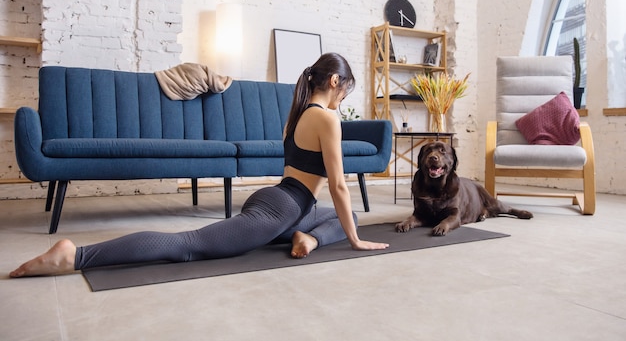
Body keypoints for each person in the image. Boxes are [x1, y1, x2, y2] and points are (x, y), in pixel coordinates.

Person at [10, 52, 389, 277]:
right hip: (279, 210)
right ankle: (76, 255)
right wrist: (354, 243)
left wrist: (337, 228)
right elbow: (338, 185)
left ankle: (307, 237)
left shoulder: (297, 113)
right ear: (336, 80)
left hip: (282, 203)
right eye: (345, 90)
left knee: (348, 216)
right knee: (188, 246)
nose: (344, 97)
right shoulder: (327, 118)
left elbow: (326, 191)